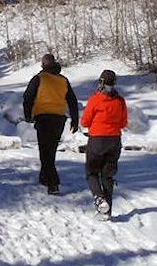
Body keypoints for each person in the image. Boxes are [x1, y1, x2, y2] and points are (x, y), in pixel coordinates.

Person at [23, 54, 79, 195]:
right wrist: (75, 119)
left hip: (43, 118)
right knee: (51, 150)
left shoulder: (39, 78)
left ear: (43, 65)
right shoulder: (63, 80)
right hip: (59, 119)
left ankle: (53, 182)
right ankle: (45, 177)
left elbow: (28, 97)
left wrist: (28, 115)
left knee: (44, 151)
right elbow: (72, 100)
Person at [81, 69, 128, 220]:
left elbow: (85, 121)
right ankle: (107, 212)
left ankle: (99, 198)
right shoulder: (120, 101)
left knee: (92, 172)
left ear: (100, 82)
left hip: (97, 140)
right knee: (108, 176)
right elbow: (123, 123)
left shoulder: (95, 99)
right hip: (114, 140)